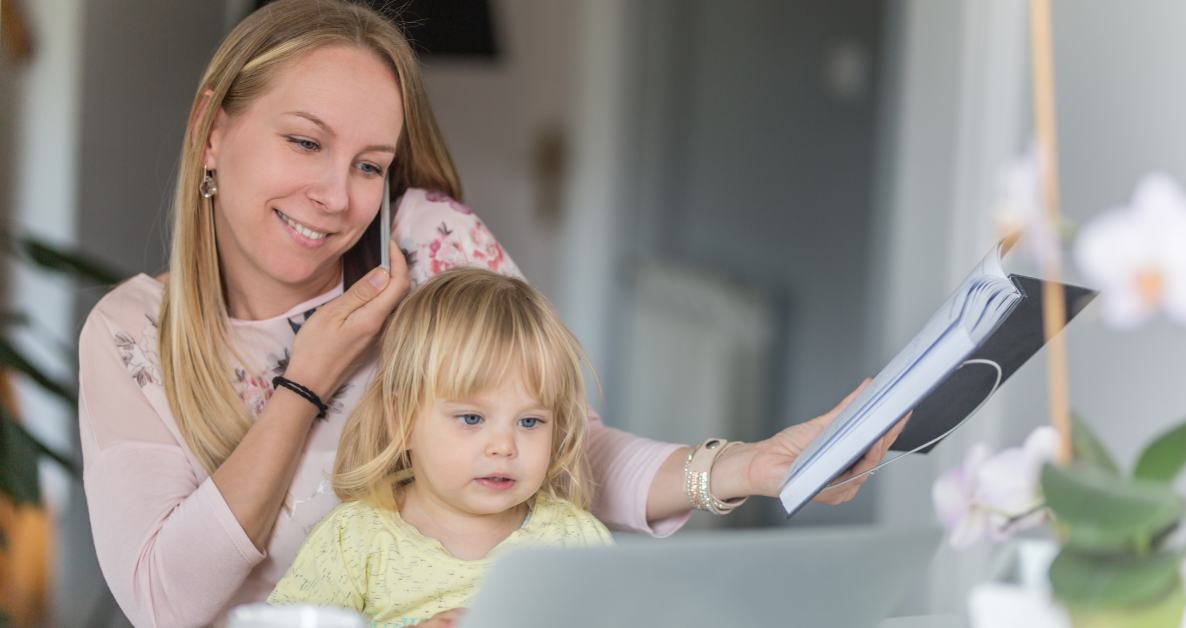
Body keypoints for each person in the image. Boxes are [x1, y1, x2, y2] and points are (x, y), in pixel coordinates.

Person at [76, 1, 904, 626]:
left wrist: (746, 468)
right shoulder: (133, 335)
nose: (335, 198)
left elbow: (565, 443)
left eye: (370, 164)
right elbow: (164, 603)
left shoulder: (427, 245)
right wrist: (307, 385)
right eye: (305, 143)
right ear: (211, 131)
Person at [267, 268, 613, 627]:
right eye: (471, 418)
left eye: (529, 422)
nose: (504, 447)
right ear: (402, 421)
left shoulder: (575, 542)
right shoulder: (355, 540)